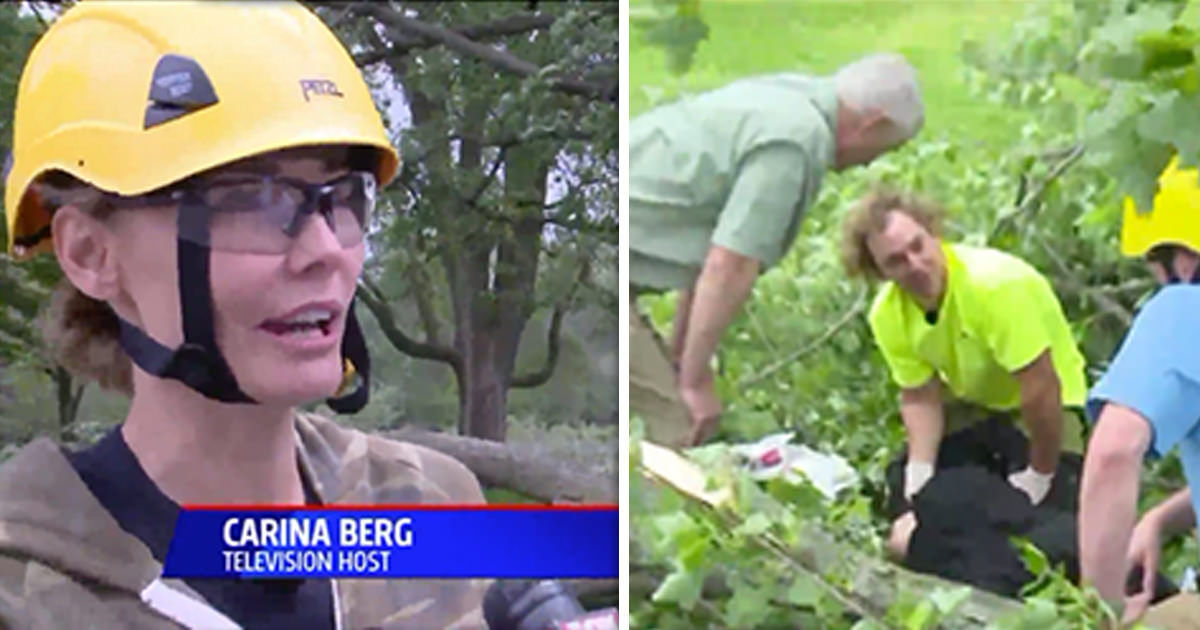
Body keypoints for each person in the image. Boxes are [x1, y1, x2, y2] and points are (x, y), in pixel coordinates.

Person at [0, 2, 487, 628]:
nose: (324, 251)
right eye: (249, 201)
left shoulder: (432, 506)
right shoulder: (24, 591)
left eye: (340, 197)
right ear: (90, 253)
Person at [628, 53, 924, 449]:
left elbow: (708, 256)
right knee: (673, 432)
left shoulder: (787, 93)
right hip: (603, 258)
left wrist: (683, 361)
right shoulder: (797, 142)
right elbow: (730, 265)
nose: (872, 160)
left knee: (671, 406)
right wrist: (694, 383)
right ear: (873, 124)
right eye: (886, 147)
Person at [840, 187, 1090, 560]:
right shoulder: (888, 313)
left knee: (1044, 525)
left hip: (1046, 407)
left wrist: (1040, 472)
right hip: (977, 406)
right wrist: (920, 469)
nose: (916, 265)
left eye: (918, 246)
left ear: (933, 232)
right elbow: (920, 395)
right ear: (879, 271)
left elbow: (1041, 388)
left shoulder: (994, 286)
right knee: (907, 491)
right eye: (897, 261)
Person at [1079, 156, 1200, 628]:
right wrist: (1161, 519)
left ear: (1183, 259)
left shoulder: (1184, 310)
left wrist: (1100, 613)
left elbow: (1113, 451)